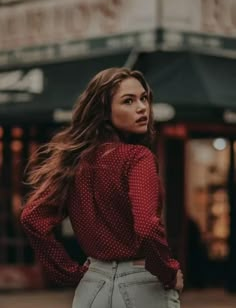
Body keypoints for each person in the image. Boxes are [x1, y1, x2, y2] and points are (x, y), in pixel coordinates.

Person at [21, 67, 183, 307]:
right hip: (140, 284)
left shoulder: (74, 162)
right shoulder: (137, 157)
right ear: (105, 112)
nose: (142, 108)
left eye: (144, 98)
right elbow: (148, 227)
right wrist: (169, 271)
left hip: (92, 287)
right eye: (128, 101)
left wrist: (69, 273)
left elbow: (32, 217)